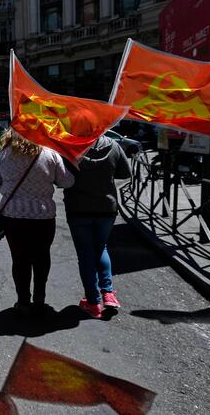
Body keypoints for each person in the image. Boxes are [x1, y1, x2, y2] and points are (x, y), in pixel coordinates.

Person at [0, 130, 74, 315]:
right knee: (42, 257)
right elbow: (67, 182)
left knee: (20, 260)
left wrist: (8, 184)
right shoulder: (50, 154)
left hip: (14, 216)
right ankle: (40, 298)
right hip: (43, 217)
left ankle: (23, 301)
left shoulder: (3, 154)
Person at [63, 134, 131, 319]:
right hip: (106, 207)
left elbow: (61, 177)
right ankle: (107, 293)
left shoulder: (70, 146)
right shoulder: (113, 145)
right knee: (101, 248)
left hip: (78, 208)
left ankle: (92, 302)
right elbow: (125, 173)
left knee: (85, 254)